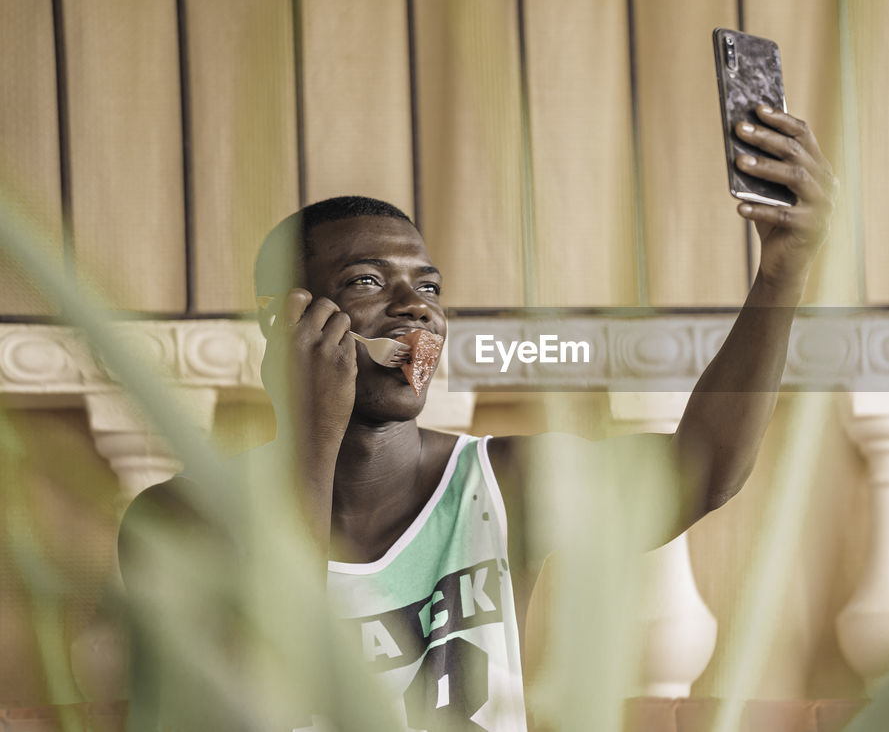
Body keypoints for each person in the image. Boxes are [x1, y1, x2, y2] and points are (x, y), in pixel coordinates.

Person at [119, 104, 833, 731]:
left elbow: (706, 471)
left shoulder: (498, 484)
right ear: (285, 321)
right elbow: (265, 686)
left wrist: (782, 272)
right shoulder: (179, 517)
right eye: (368, 281)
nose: (417, 306)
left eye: (429, 287)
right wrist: (311, 438)